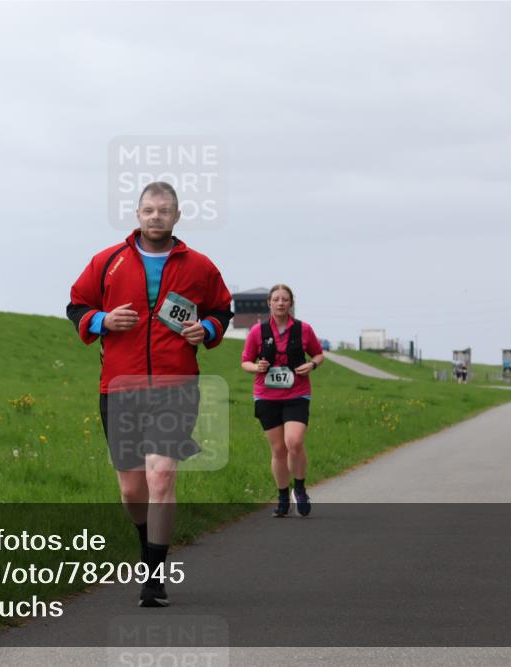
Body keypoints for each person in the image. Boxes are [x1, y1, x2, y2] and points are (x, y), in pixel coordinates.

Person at [67, 181, 232, 608]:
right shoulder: (107, 262)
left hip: (176, 386)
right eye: (148, 210)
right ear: (137, 214)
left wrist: (208, 329)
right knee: (131, 488)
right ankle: (146, 545)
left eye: (164, 210)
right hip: (120, 387)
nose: (155, 216)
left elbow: (220, 309)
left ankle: (155, 577)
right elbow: (77, 305)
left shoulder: (199, 266)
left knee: (162, 474)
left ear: (177, 216)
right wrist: (102, 320)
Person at [240, 285, 325, 518]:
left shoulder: (303, 329)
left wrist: (313, 364)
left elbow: (318, 354)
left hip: (297, 392)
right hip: (267, 395)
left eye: (284, 300)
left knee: (294, 442)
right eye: (276, 299)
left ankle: (300, 488)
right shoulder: (258, 331)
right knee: (278, 449)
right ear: (269, 303)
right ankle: (282, 497)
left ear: (291, 303)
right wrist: (256, 367)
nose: (280, 303)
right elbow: (245, 361)